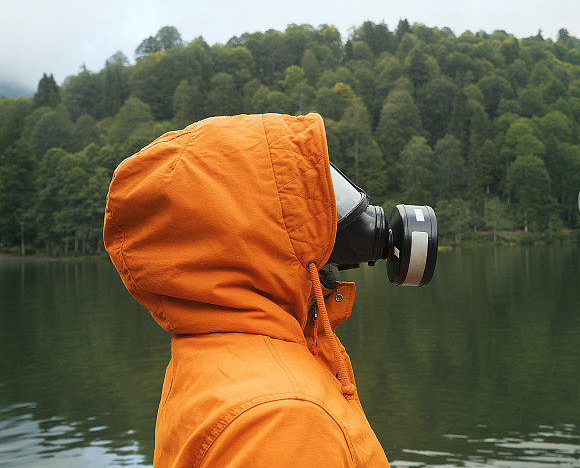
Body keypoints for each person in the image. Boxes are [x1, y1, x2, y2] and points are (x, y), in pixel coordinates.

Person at [104, 112, 390, 467]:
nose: (328, 232)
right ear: (251, 232)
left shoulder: (209, 353)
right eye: (297, 207)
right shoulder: (284, 419)